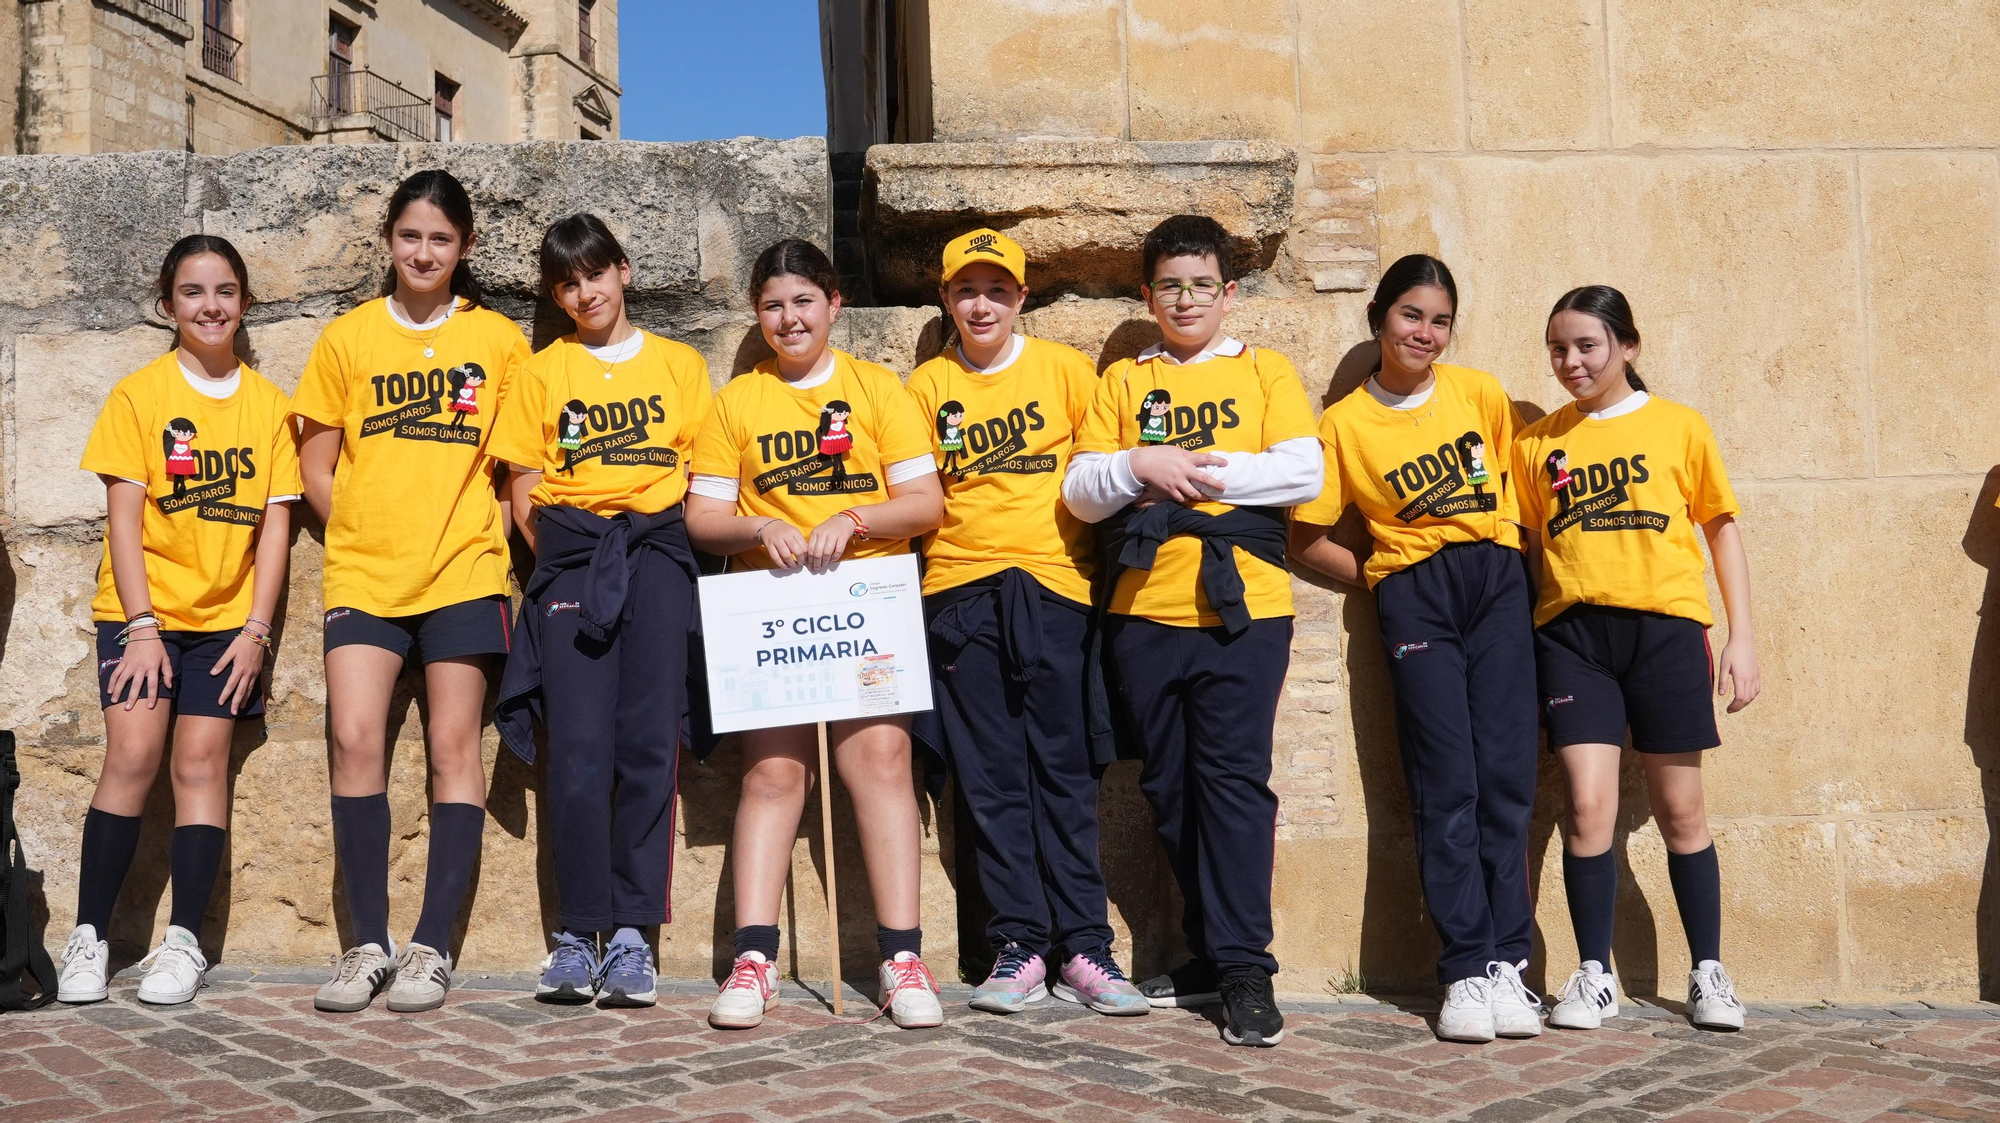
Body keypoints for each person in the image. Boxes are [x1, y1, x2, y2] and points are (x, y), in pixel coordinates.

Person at [1062, 214, 1322, 1047]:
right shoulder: (1124, 383)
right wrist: (1140, 465)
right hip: (1145, 610)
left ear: (1228, 293)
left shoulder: (1264, 371)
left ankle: (1247, 965)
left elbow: (1301, 468)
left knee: (1236, 785)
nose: (1185, 298)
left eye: (1201, 284)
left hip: (1244, 610)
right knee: (1170, 788)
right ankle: (1211, 950)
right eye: (1170, 285)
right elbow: (1081, 488)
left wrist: (1186, 472)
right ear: (1149, 294)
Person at [684, 238, 946, 1030]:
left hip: (866, 603)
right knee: (771, 774)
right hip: (771, 606)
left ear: (835, 304)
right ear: (757, 315)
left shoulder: (876, 390)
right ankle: (755, 956)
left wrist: (853, 518)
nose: (789, 318)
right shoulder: (737, 403)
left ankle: (902, 957)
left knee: (881, 760)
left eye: (804, 300)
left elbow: (926, 503)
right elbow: (703, 518)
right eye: (772, 304)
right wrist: (759, 523)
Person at [1287, 254, 1541, 1044]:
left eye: (1439, 320)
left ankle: (1509, 964)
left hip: (1496, 581)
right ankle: (1464, 966)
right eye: (1410, 315)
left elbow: (1519, 497)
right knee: (1446, 781)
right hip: (1414, 591)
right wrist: (1387, 579)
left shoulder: (1481, 394)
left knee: (1505, 776)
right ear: (1379, 318)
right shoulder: (1344, 422)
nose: (1424, 332)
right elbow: (1306, 537)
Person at [292, 169, 530, 1014]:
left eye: (440, 238)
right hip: (365, 572)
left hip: (464, 572)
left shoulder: (499, 341)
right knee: (356, 740)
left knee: (452, 750)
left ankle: (432, 947)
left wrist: (485, 535)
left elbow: (515, 472)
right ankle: (367, 944)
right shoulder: (347, 339)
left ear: (463, 248)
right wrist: (357, 524)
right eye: (409, 236)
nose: (423, 252)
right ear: (388, 240)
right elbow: (315, 463)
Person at [905, 229, 1143, 1016]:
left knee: (1065, 775)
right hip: (961, 593)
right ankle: (1019, 945)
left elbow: (1101, 478)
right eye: (967, 290)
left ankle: (1086, 944)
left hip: (1055, 590)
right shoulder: (926, 387)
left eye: (997, 290)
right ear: (946, 299)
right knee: (991, 779)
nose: (982, 304)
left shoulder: (1068, 373)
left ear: (1022, 297)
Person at [57, 234, 300, 1007]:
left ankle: (184, 941)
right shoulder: (140, 396)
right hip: (142, 617)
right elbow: (122, 525)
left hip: (229, 624)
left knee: (200, 767)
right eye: (193, 292)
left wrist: (257, 631)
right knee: (131, 755)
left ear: (246, 304)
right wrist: (142, 626)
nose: (210, 306)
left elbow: (275, 532)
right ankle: (90, 933)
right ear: (169, 305)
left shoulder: (269, 407)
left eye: (225, 291)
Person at [1516, 285, 1760, 1033]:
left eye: (1587, 345)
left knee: (1682, 809)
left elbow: (1720, 530)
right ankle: (1594, 974)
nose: (1571, 361)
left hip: (1667, 632)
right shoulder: (1537, 444)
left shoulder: (1679, 427)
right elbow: (1531, 550)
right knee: (1587, 808)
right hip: (1574, 638)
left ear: (1627, 345)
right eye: (1558, 348)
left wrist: (1742, 637)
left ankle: (1708, 971)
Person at [490, 214, 713, 1008]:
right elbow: (522, 488)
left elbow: (698, 475)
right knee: (578, 748)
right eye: (567, 283)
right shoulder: (543, 372)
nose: (584, 293)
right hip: (575, 560)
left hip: (655, 559)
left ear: (623, 270)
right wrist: (563, 557)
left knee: (650, 748)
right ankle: (575, 934)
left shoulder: (681, 365)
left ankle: (631, 937)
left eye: (594, 274)